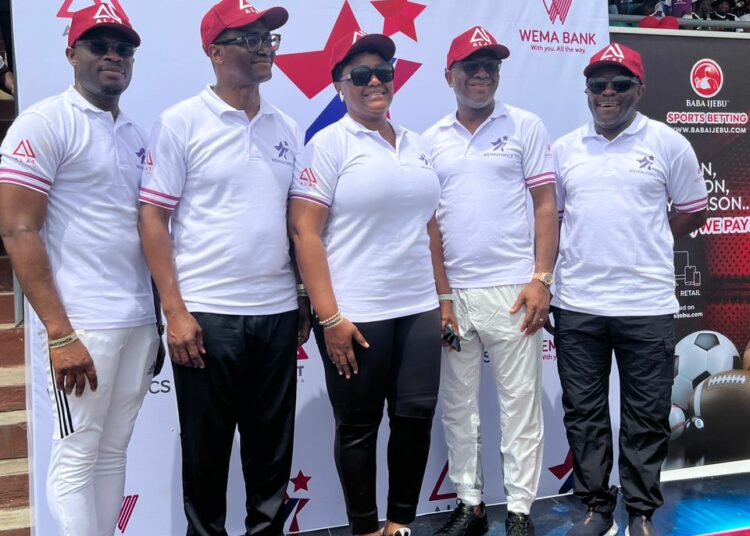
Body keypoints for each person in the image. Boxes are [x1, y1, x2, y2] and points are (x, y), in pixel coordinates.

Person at [137, 1, 310, 534]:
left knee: (271, 458)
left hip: (278, 315)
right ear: (214, 52)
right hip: (207, 317)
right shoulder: (181, 121)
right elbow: (152, 218)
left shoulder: (288, 126)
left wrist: (302, 295)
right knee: (206, 458)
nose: (263, 47)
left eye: (268, 38)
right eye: (249, 38)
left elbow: (296, 222)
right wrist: (175, 310)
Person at [0, 5, 158, 536]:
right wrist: (60, 333)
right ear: (72, 54)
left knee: (114, 452)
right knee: (75, 457)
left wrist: (158, 317)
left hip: (137, 318)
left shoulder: (136, 133)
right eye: (98, 45)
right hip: (82, 324)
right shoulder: (44, 121)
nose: (113, 55)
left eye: (123, 48)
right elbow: (18, 230)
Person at [288, 31, 446, 536]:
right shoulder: (328, 146)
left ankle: (399, 522)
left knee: (415, 420)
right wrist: (328, 316)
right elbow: (303, 231)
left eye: (384, 72)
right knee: (358, 429)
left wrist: (443, 299)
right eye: (361, 75)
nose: (375, 81)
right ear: (340, 85)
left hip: (418, 306)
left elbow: (430, 226)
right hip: (356, 312)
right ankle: (364, 528)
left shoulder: (416, 143)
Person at [551, 43, 708, 536]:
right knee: (585, 414)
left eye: (619, 85)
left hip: (646, 304)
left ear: (639, 90)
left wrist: (649, 238)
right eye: (598, 85)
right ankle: (596, 508)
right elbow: (550, 219)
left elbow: (692, 209)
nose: (608, 94)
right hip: (577, 304)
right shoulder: (564, 149)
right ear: (587, 91)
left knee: (645, 416)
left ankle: (640, 512)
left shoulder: (668, 143)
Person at [422, 26, 557, 536]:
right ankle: (470, 504)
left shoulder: (525, 125)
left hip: (514, 291)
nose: (481, 74)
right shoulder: (431, 140)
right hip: (456, 296)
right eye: (471, 67)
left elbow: (546, 206)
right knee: (458, 407)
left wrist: (541, 279)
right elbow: (431, 225)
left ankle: (520, 511)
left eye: (490, 67)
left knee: (520, 405)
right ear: (449, 75)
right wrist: (442, 295)